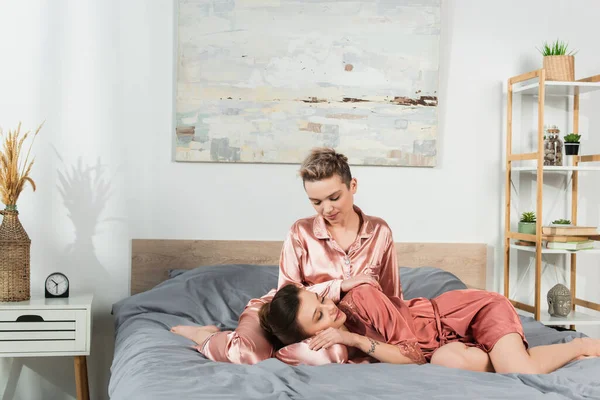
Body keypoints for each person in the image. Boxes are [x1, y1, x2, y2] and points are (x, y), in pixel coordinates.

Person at [171, 148, 402, 364]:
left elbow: (392, 297)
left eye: (334, 198)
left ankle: (273, 352)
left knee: (333, 355)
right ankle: (206, 336)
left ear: (353, 186)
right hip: (282, 317)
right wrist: (340, 286)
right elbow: (286, 296)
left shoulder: (379, 231)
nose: (327, 209)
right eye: (317, 202)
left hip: (338, 330)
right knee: (246, 353)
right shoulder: (301, 232)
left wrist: (392, 343)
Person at [258, 283, 600, 373]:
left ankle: (579, 346)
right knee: (448, 363)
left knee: (516, 370)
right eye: (319, 317)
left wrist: (353, 338)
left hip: (468, 313)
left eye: (321, 299)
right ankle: (505, 352)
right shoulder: (324, 349)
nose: (330, 308)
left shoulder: (362, 298)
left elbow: (412, 355)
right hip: (444, 345)